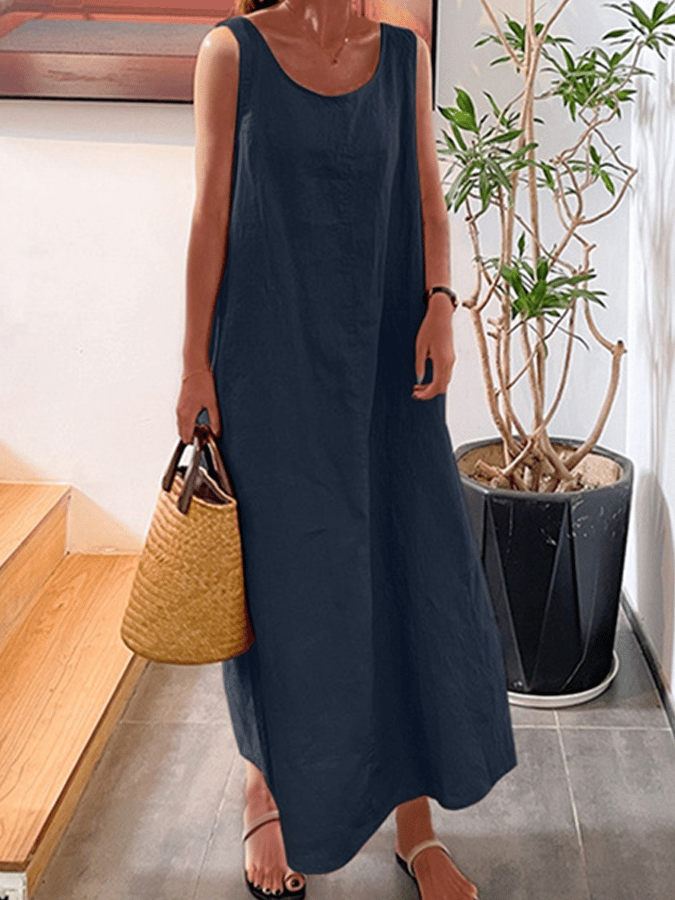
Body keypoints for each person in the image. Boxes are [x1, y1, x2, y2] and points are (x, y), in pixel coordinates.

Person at [176, 1, 518, 898]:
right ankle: (266, 785)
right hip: (269, 364)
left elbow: (428, 195)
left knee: (409, 573)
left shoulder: (404, 55)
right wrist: (193, 366)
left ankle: (415, 825)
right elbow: (210, 214)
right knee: (289, 588)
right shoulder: (231, 53)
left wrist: (441, 301)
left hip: (386, 361)